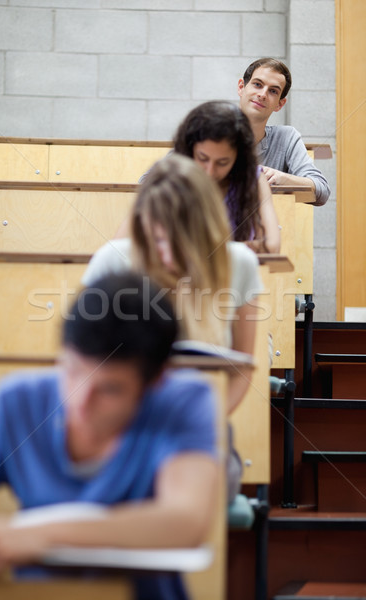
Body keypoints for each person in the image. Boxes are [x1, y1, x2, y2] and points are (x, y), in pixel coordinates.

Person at [0, 271, 219, 600]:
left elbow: (184, 521)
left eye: (109, 389)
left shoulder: (182, 402)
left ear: (155, 381)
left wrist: (39, 535)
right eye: (71, 372)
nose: (79, 402)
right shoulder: (17, 403)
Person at [83, 154, 263, 415]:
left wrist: (201, 424)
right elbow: (83, 361)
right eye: (156, 239)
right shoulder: (112, 260)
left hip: (201, 416)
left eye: (182, 243)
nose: (168, 256)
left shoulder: (239, 263)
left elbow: (242, 369)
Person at [135, 101, 280, 254]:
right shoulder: (172, 175)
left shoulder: (254, 179)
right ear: (190, 150)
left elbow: (272, 246)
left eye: (222, 162)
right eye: (203, 158)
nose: (210, 171)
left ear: (238, 158)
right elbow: (131, 243)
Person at [238, 57, 330, 206]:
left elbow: (322, 191)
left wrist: (280, 178)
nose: (262, 94)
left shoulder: (286, 137)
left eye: (273, 91)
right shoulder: (211, 132)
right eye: (257, 84)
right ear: (241, 87)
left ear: (280, 104)